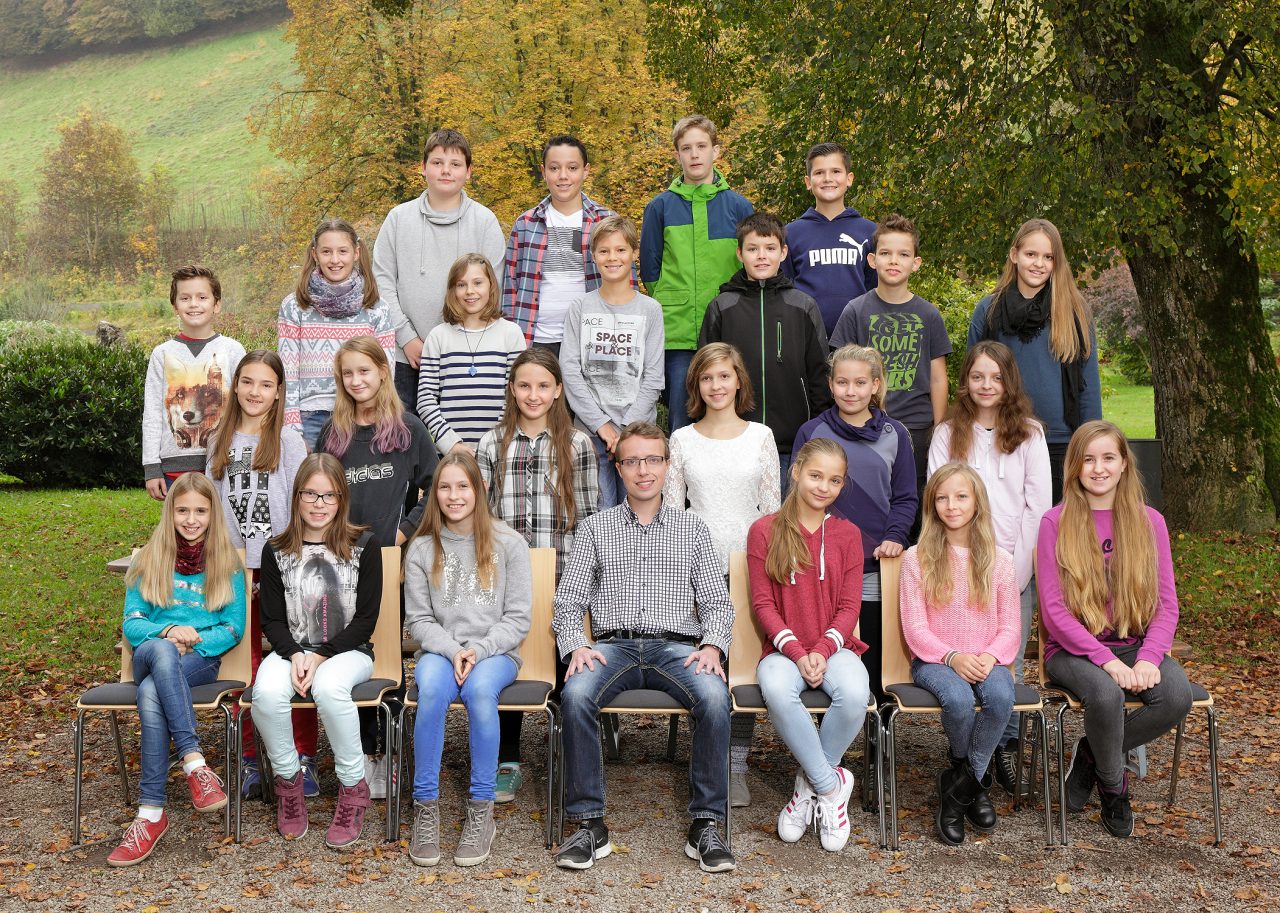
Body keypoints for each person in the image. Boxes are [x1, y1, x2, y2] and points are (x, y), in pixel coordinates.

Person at [551, 422, 736, 874]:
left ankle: (706, 824)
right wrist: (576, 646)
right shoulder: (595, 528)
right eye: (632, 461)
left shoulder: (692, 529)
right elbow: (568, 601)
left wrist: (713, 646)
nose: (643, 470)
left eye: (653, 459)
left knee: (715, 698)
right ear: (618, 468)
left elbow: (717, 602)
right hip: (612, 647)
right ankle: (589, 824)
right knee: (575, 695)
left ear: (667, 466)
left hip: (677, 648)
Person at [1038, 421, 1193, 839]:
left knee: (1176, 696)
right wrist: (1106, 661)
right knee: (1106, 696)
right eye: (1088, 459)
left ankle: (1092, 753)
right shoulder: (1055, 522)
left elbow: (1166, 604)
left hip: (1132, 642)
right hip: (1072, 649)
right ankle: (1113, 786)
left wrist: (1149, 657)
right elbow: (1054, 612)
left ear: (1124, 463)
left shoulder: (1150, 521)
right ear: (1074, 467)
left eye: (1108, 458)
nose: (1099, 468)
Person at [319, 335, 440, 796]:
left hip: (389, 562)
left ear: (383, 372)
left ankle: (390, 751)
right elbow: (318, 492)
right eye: (348, 373)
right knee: (351, 653)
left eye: (364, 371)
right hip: (341, 562)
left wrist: (402, 533)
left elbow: (435, 488)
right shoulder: (333, 434)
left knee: (386, 655)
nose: (356, 381)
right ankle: (364, 751)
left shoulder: (408, 429)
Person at [477, 347, 599, 802]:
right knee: (508, 661)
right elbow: (481, 517)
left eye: (543, 386)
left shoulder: (577, 444)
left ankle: (569, 753)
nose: (534, 394)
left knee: (566, 662)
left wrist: (581, 580)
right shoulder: (492, 443)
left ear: (558, 390)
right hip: (505, 578)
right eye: (525, 385)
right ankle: (507, 758)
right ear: (512, 389)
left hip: (562, 574)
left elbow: (588, 517)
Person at [928, 340, 1051, 792]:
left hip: (1011, 567)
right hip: (955, 567)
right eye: (977, 376)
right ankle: (964, 751)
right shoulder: (947, 433)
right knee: (960, 665)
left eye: (996, 377)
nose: (986, 385)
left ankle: (1006, 747)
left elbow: (1037, 508)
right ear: (966, 381)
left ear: (1009, 382)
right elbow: (936, 499)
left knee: (1007, 665)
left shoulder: (1030, 435)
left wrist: (1015, 574)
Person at [664, 341, 780, 806]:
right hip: (696, 568)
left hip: (749, 566)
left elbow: (772, 512)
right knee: (705, 668)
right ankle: (706, 758)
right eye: (707, 377)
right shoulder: (681, 439)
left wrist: (768, 568)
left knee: (742, 668)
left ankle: (736, 764)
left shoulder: (761, 437)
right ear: (696, 384)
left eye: (724, 376)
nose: (716, 385)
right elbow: (673, 515)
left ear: (738, 381)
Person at [404, 452, 533, 867]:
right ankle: (425, 807)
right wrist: (453, 650)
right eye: (444, 487)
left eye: (463, 486)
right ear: (434, 493)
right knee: (431, 689)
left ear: (479, 489)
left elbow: (518, 618)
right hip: (441, 652)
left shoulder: (509, 543)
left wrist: (478, 650)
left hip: (495, 653)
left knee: (479, 692)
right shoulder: (422, 548)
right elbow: (419, 620)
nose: (454, 495)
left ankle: (481, 810)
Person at [110, 472, 245, 866]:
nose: (191, 519)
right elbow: (133, 624)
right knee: (160, 651)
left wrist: (192, 639)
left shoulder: (227, 563)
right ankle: (195, 763)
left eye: (200, 511)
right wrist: (169, 631)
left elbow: (233, 628)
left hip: (197, 660)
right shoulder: (148, 559)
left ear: (212, 514)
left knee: (151, 692)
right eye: (182, 510)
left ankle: (151, 814)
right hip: (149, 654)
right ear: (169, 512)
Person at [253, 453, 383, 849]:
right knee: (266, 694)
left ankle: (353, 786)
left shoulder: (364, 545)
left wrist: (321, 655)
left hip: (349, 652)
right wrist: (295, 654)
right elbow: (271, 620)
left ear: (341, 499)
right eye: (310, 494)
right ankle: (289, 782)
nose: (319, 504)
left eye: (329, 495)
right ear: (297, 497)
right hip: (291, 651)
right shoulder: (276, 550)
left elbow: (365, 620)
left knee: (329, 688)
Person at [747, 438, 869, 852]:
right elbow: (763, 604)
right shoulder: (764, 530)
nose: (824, 486)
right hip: (783, 650)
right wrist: (799, 653)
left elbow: (850, 606)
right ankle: (832, 787)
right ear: (796, 471)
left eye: (834, 480)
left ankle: (809, 785)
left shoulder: (848, 534)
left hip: (836, 647)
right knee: (777, 690)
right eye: (816, 475)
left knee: (855, 693)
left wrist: (822, 650)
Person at [205, 350, 313, 800]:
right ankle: (250, 758)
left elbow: (301, 508)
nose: (255, 392)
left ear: (279, 392)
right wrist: (231, 567)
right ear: (235, 386)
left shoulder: (290, 441)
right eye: (247, 382)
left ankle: (302, 758)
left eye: (266, 384)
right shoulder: (219, 439)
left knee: (296, 660)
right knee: (244, 667)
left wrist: (279, 566)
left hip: (281, 569)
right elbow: (211, 509)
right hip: (234, 570)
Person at [899, 463, 1019, 845]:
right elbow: (915, 628)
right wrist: (952, 657)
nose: (951, 505)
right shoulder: (916, 558)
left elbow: (1011, 628)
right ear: (932, 505)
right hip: (934, 660)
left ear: (977, 502)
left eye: (961, 496)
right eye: (942, 498)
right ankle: (974, 785)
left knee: (1001, 696)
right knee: (958, 699)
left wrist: (990, 656)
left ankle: (961, 786)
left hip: (987, 657)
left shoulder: (1000, 560)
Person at [792, 345, 917, 701]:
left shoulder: (895, 434)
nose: (851, 391)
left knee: (875, 660)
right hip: (822, 567)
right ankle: (828, 732)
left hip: (876, 565)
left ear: (875, 385)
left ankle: (879, 730)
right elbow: (798, 495)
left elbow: (906, 497)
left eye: (860, 382)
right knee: (827, 657)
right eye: (842, 382)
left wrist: (895, 536)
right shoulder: (812, 432)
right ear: (831, 384)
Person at [830, 214, 950, 537]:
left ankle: (913, 567)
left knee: (915, 510)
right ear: (872, 260)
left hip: (917, 429)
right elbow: (841, 372)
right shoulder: (856, 311)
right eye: (885, 253)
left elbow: (938, 378)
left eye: (903, 254)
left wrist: (940, 430)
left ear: (916, 263)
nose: (894, 261)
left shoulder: (929, 314)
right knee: (866, 505)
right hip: (867, 427)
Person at [967, 218, 1101, 503]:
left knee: (1057, 526)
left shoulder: (1074, 312)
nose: (1039, 263)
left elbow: (1089, 386)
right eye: (1031, 254)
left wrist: (1091, 444)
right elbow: (973, 380)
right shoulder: (989, 310)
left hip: (1060, 442)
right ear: (1014, 255)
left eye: (1048, 257)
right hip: (1003, 438)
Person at [373, 128, 506, 414]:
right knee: (402, 434)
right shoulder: (398, 219)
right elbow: (381, 283)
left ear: (468, 172)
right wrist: (407, 338)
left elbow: (493, 290)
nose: (446, 171)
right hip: (406, 356)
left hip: (465, 355)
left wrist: (458, 342)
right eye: (437, 163)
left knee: (461, 435)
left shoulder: (484, 222)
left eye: (455, 164)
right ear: (423, 167)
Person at [697, 212, 831, 486]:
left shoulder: (803, 306)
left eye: (770, 248)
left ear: (783, 253)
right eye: (752, 249)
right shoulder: (722, 307)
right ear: (739, 253)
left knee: (785, 511)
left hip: (791, 444)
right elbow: (704, 374)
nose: (761, 256)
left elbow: (819, 373)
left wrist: (817, 430)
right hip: (733, 441)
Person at [640, 114, 754, 432]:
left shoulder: (739, 207)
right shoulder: (660, 208)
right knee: (681, 418)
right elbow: (650, 271)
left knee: (732, 416)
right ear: (677, 154)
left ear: (715, 151)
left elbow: (749, 266)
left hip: (728, 329)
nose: (694, 154)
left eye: (701, 146)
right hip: (678, 334)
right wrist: (675, 300)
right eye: (686, 148)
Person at [560, 215, 665, 506]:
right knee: (601, 511)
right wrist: (602, 425)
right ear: (594, 256)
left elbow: (654, 376)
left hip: (638, 434)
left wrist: (626, 429)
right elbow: (570, 370)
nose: (612, 257)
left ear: (634, 253)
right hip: (591, 433)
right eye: (604, 251)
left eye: (620, 250)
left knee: (639, 511)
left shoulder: (650, 310)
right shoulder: (580, 307)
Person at [277, 219, 396, 448]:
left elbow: (386, 369)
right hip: (310, 418)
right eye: (326, 252)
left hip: (360, 415)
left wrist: (380, 418)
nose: (334, 260)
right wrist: (292, 428)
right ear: (314, 254)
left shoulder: (376, 309)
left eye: (342, 251)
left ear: (356, 253)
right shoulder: (295, 307)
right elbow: (287, 370)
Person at [504, 135, 621, 354]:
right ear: (543, 171)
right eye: (554, 168)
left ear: (585, 171)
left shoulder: (606, 222)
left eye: (572, 168)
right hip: (536, 340)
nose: (563, 176)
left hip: (592, 340)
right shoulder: (526, 224)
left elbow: (626, 284)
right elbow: (510, 287)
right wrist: (510, 339)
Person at [142, 265, 245, 500]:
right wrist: (151, 467)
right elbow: (152, 414)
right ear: (175, 306)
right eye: (185, 298)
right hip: (174, 467)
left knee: (223, 523)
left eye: (202, 297)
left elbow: (245, 406)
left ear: (216, 304)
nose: (194, 304)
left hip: (224, 463)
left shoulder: (233, 350)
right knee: (182, 521)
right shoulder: (162, 354)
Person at [418, 253, 526, 455]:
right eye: (461, 285)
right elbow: (425, 399)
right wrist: (451, 444)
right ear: (452, 290)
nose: (470, 291)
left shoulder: (511, 334)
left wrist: (494, 444)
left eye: (478, 283)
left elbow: (515, 394)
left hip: (499, 451)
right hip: (451, 455)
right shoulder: (438, 337)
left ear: (491, 286)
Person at [782, 142, 878, 335]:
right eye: (819, 173)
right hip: (805, 337)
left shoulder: (871, 232)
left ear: (849, 178)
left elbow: (875, 287)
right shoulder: (790, 234)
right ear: (808, 182)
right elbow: (785, 290)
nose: (827, 179)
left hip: (857, 337)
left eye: (835, 171)